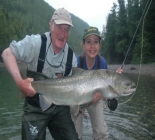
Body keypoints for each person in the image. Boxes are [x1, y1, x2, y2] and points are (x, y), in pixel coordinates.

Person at [1, 8, 79, 140]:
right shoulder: (36, 43)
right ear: (51, 25)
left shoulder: (71, 58)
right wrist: (20, 83)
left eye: (67, 29)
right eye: (59, 27)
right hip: (35, 107)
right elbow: (7, 54)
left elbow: (76, 89)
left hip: (60, 109)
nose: (63, 33)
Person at [71, 27, 122, 140]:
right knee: (74, 135)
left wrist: (110, 91)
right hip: (77, 100)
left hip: (95, 100)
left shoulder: (102, 63)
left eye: (96, 42)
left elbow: (104, 95)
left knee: (101, 133)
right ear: (83, 45)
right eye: (88, 42)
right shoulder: (76, 62)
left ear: (99, 45)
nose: (92, 46)